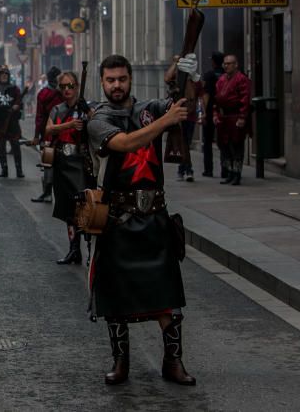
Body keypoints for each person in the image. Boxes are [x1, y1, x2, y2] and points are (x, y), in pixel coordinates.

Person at [86, 54, 197, 387]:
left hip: (154, 218)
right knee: (116, 297)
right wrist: (166, 120)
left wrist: (181, 74)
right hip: (117, 220)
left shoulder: (149, 109)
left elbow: (185, 104)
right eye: (110, 80)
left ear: (130, 78)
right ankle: (120, 363)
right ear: (102, 83)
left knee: (167, 297)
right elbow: (124, 144)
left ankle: (173, 362)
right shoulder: (98, 119)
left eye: (122, 78)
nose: (117, 85)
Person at [44, 71, 94, 265]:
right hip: (62, 162)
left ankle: (91, 251)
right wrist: (69, 125)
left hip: (81, 163)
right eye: (63, 86)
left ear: (77, 86)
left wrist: (88, 113)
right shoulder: (57, 109)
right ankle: (74, 249)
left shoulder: (87, 107)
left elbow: (100, 124)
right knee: (68, 209)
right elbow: (48, 129)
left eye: (71, 86)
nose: (67, 90)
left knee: (85, 208)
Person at [214, 54, 252, 186]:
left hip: (235, 116)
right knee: (225, 147)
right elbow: (216, 99)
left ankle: (237, 174)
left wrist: (242, 117)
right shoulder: (221, 79)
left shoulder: (242, 79)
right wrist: (215, 114)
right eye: (225, 63)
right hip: (223, 118)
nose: (226, 65)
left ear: (236, 65)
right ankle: (229, 173)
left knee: (236, 147)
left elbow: (245, 99)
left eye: (229, 63)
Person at [31, 66, 64, 202]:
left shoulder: (43, 94)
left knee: (48, 164)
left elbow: (40, 117)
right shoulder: (65, 93)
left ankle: (48, 193)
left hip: (49, 134)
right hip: (64, 134)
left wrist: (37, 136)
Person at [168, 61, 203, 183]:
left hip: (191, 116)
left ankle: (183, 170)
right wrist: (175, 62)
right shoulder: (177, 80)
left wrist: (200, 114)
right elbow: (167, 78)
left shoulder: (196, 82)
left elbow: (200, 99)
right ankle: (187, 170)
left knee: (185, 144)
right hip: (178, 116)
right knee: (183, 144)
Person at [0, 65, 24, 178]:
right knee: (1, 147)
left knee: (16, 146)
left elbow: (19, 102)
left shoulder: (14, 89)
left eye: (5, 74)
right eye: (2, 74)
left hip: (12, 121)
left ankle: (19, 170)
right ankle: (4, 170)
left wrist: (17, 106)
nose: (4, 76)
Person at [200, 52, 223, 177]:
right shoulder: (226, 75)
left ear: (213, 62)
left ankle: (208, 170)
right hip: (223, 111)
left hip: (209, 112)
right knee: (224, 141)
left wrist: (203, 112)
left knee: (207, 142)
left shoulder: (209, 75)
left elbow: (206, 95)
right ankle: (225, 169)